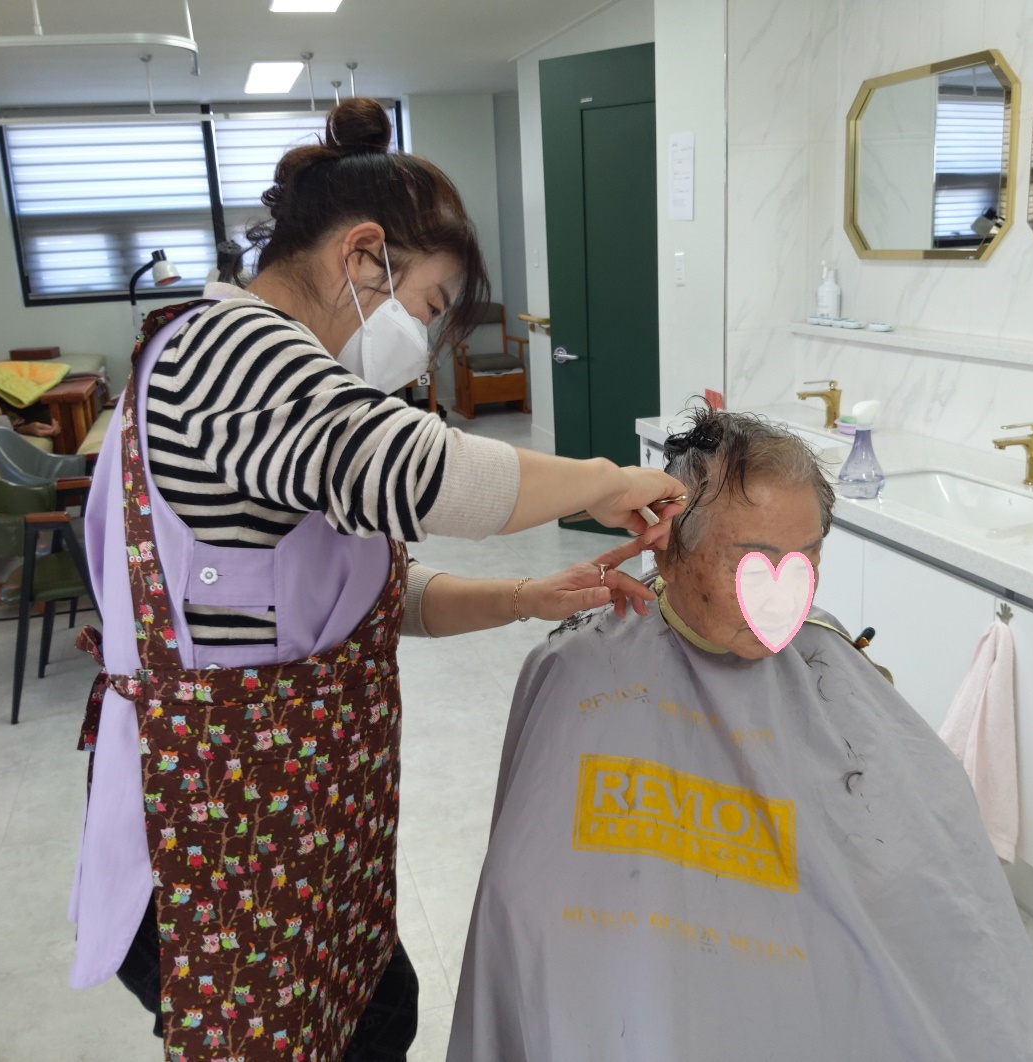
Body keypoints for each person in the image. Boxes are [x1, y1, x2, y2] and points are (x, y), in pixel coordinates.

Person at [70, 96, 686, 1062]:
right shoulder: (226, 351)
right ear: (362, 257)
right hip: (220, 844)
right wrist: (607, 481)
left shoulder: (279, 389)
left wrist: (523, 598)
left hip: (305, 836)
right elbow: (423, 472)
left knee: (380, 1010)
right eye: (429, 307)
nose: (421, 340)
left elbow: (353, 601)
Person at [446, 405, 1033, 1062]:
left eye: (806, 559)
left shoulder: (826, 659)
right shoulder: (582, 667)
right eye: (752, 562)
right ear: (669, 551)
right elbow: (527, 906)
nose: (783, 599)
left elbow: (937, 866)